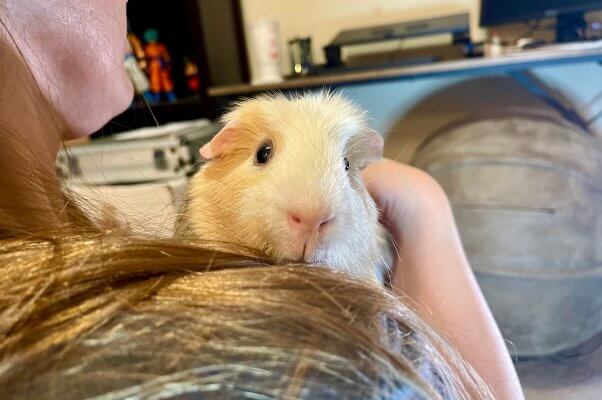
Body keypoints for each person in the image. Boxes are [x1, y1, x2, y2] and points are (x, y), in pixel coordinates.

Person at [0, 1, 523, 399]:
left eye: (345, 167)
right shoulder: (294, 364)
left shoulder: (62, 229)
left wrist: (417, 203)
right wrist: (428, 214)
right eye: (264, 153)